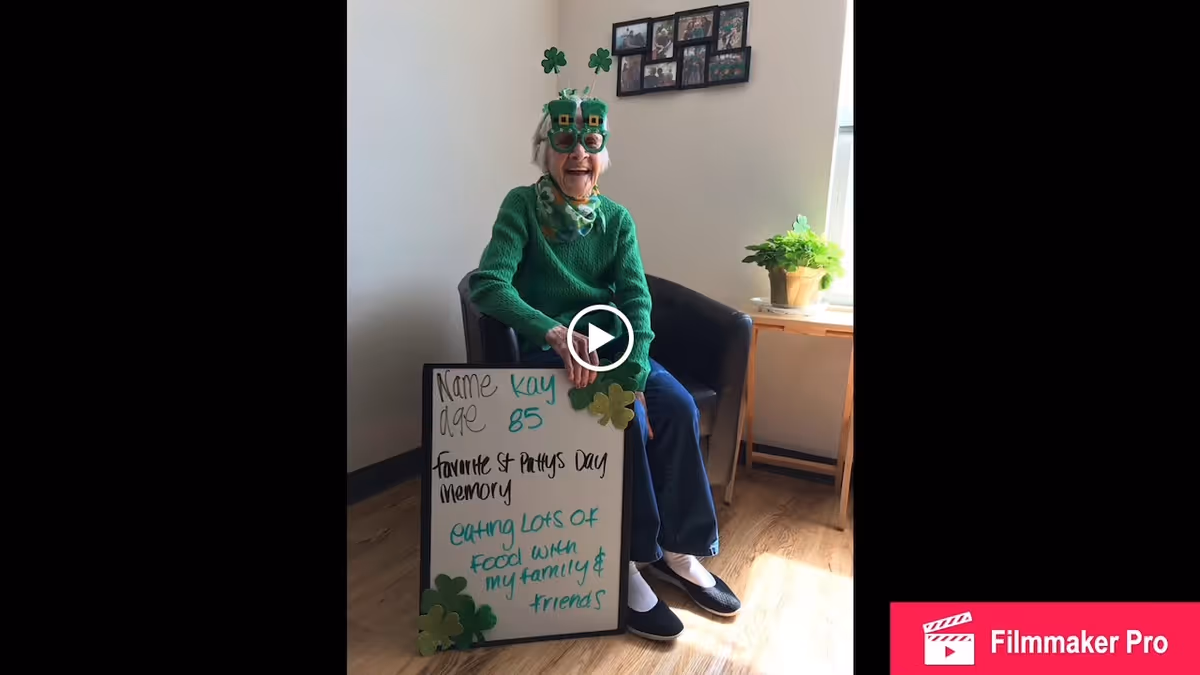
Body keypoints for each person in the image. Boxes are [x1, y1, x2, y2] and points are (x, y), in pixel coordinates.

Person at [468, 47, 741, 642]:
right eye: (565, 146)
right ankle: (625, 562)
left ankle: (679, 550)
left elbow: (637, 301)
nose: (578, 157)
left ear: (602, 158)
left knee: (677, 405)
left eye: (589, 148)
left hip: (611, 345)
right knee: (612, 415)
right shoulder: (521, 206)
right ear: (546, 153)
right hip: (549, 347)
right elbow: (488, 284)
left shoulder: (618, 220)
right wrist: (555, 331)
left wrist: (639, 373)